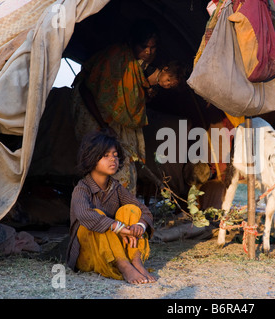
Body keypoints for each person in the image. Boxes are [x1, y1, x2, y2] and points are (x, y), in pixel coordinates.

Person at [71, 20, 185, 195]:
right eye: (143, 46)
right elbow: (87, 89)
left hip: (114, 126)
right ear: (132, 42)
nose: (148, 51)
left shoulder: (139, 68)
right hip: (95, 118)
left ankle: (121, 211)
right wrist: (102, 125)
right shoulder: (116, 58)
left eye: (153, 48)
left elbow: (129, 102)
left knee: (124, 170)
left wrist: (143, 96)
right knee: (102, 168)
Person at [66, 131, 156, 284]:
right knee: (96, 215)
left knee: (130, 210)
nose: (113, 159)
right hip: (89, 253)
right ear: (91, 158)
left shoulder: (116, 188)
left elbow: (145, 211)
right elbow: (84, 215)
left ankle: (136, 261)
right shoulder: (82, 189)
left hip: (115, 248)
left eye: (115, 155)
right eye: (105, 155)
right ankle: (123, 265)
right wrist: (118, 227)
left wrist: (138, 226)